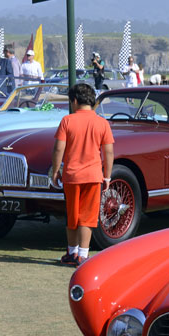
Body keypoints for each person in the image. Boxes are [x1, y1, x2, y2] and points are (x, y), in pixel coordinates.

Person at [49, 82, 114, 268]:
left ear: (74, 101)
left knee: (72, 216)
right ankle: (83, 256)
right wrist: (107, 176)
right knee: (88, 217)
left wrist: (55, 170)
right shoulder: (102, 123)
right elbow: (108, 152)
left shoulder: (67, 121)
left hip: (71, 176)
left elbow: (58, 148)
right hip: (93, 176)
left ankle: (72, 252)